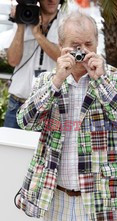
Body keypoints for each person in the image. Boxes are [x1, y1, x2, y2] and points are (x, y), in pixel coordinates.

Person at [16, 11, 117, 221]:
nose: (82, 50)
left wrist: (101, 81)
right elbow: (25, 121)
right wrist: (58, 79)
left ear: (97, 43)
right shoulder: (47, 81)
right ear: (61, 46)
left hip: (104, 197)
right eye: (75, 45)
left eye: (88, 44)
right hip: (57, 199)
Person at [4, 0, 64, 129]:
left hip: (48, 106)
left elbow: (62, 56)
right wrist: (20, 25)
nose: (51, 0)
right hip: (18, 103)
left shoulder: (65, 22)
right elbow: (13, 60)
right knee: (10, 148)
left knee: (42, 149)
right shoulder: (24, 16)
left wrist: (38, 35)